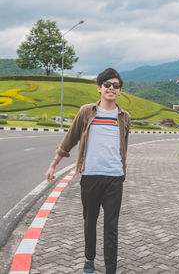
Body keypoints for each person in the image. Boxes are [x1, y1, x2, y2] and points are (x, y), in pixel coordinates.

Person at [46, 68, 130, 274]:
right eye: (107, 85)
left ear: (120, 91)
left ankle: (111, 268)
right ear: (99, 88)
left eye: (116, 86)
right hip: (90, 177)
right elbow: (70, 138)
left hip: (114, 178)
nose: (111, 88)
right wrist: (54, 163)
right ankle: (89, 259)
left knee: (111, 226)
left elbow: (123, 146)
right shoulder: (87, 112)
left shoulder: (124, 116)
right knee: (89, 221)